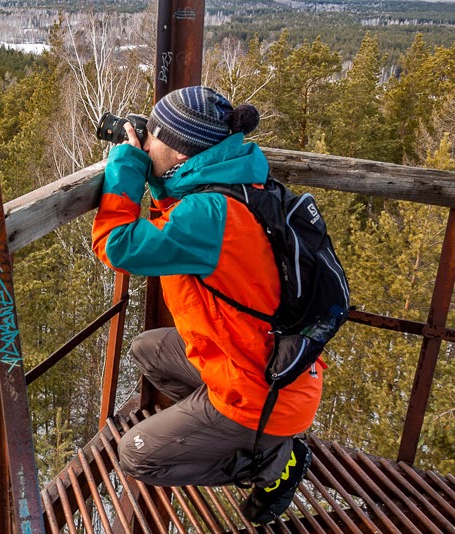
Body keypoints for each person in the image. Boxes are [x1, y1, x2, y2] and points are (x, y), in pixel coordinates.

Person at [91, 86, 323, 524]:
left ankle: (274, 463)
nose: (143, 138)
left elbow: (115, 245)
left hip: (262, 393)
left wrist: (125, 166)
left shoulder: (211, 215)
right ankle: (231, 430)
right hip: (275, 364)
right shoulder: (239, 184)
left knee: (137, 457)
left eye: (152, 133)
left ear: (181, 154)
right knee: (148, 349)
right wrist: (159, 177)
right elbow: (184, 226)